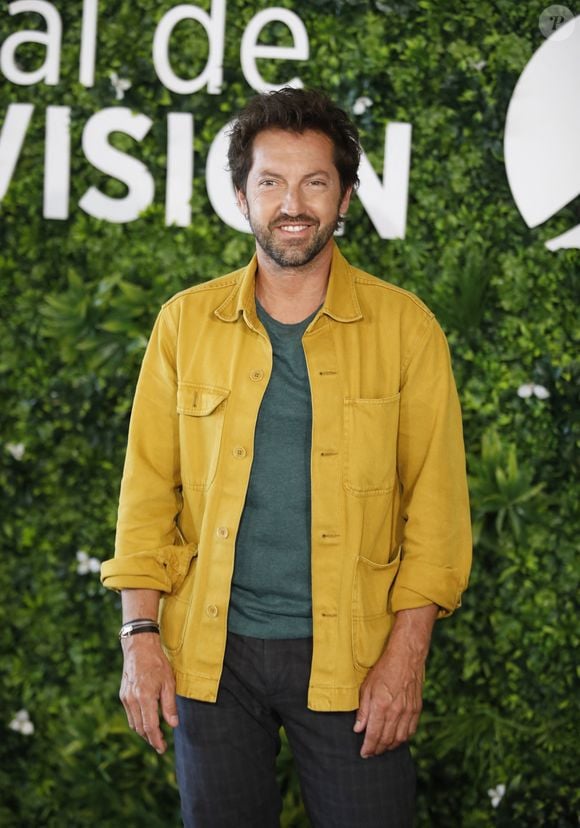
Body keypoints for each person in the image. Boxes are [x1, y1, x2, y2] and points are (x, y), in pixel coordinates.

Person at [101, 87, 472, 828]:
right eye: (271, 182)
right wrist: (139, 638)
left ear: (344, 198)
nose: (291, 203)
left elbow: (437, 513)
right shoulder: (184, 324)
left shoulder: (406, 329)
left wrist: (406, 659)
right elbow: (147, 495)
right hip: (210, 657)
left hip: (356, 658)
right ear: (241, 196)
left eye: (314, 182)